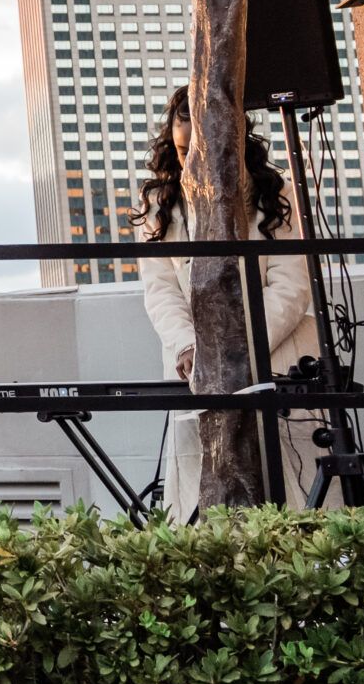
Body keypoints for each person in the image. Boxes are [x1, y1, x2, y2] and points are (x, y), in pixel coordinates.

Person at [135, 82, 331, 520]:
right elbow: (160, 289)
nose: (191, 162)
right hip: (196, 371)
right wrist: (189, 347)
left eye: (200, 150)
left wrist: (242, 345)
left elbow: (292, 286)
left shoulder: (272, 194)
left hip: (276, 360)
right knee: (201, 502)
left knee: (299, 501)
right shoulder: (159, 204)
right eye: (183, 150)